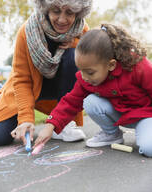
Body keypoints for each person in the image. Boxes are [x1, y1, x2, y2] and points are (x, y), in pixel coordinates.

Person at [0, 0, 94, 146]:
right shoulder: (27, 32)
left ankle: (63, 124)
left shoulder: (82, 31)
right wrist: (26, 119)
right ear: (45, 7)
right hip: (29, 88)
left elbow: (92, 64)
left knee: (74, 55)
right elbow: (21, 79)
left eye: (69, 12)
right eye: (56, 11)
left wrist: (76, 45)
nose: (62, 19)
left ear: (79, 11)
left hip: (60, 90)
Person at [34, 23, 152, 157]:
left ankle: (145, 132)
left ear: (111, 65)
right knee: (91, 102)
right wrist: (50, 126)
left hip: (145, 116)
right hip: (120, 114)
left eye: (90, 72)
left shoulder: (138, 66)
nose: (84, 77)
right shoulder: (86, 79)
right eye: (81, 71)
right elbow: (70, 102)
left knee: (149, 149)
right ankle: (111, 135)